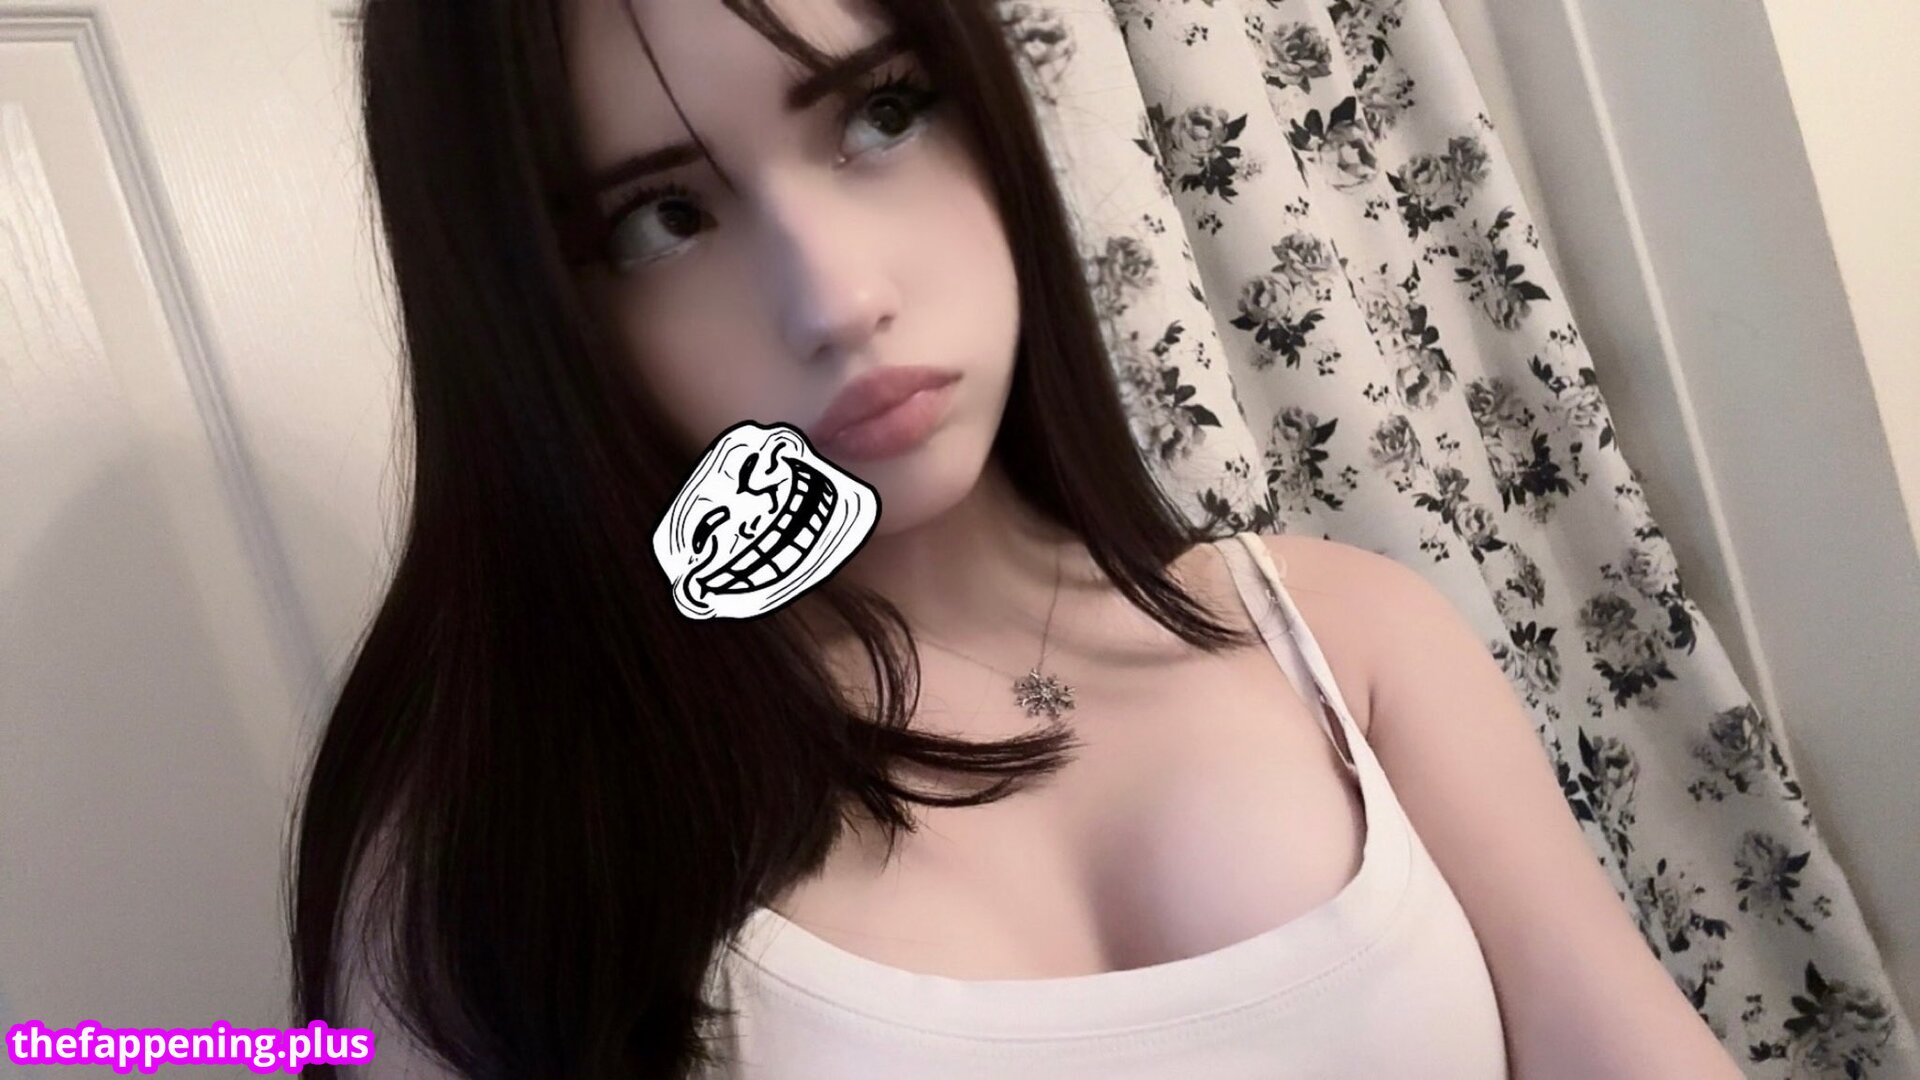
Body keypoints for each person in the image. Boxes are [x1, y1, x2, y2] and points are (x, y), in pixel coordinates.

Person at [291, 0, 1746, 1076]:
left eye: (881, 114)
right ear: (537, 315)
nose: (836, 297)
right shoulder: (509, 841)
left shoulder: (1350, 640)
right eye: (662, 217)